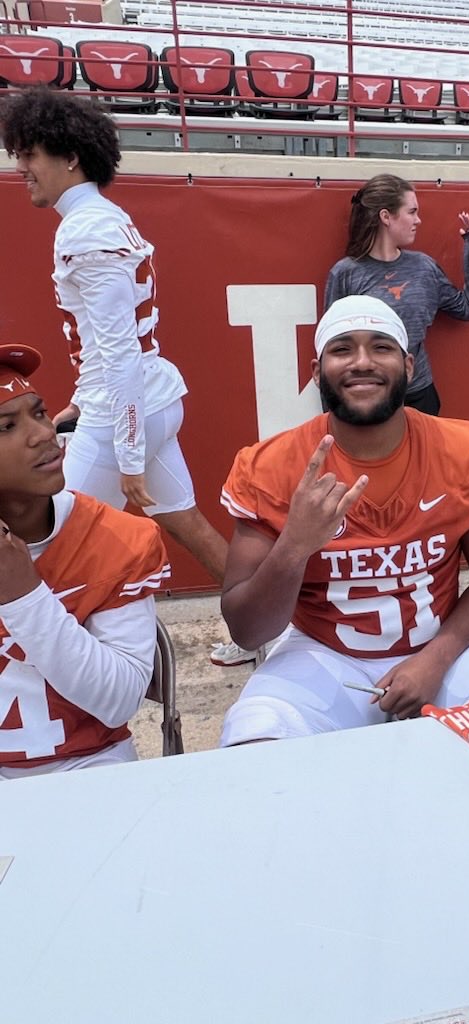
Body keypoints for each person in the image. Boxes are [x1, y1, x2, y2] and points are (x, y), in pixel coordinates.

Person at [0, 85, 259, 668]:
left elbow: (118, 354)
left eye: (29, 153)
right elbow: (111, 348)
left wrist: (129, 452)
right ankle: (272, 628)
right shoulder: (101, 218)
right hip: (142, 394)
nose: (21, 167)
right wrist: (79, 406)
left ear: (68, 156)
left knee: (55, 538)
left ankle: (39, 666)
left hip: (129, 407)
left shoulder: (85, 228)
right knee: (185, 520)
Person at [218, 296, 469, 746]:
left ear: (409, 365)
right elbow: (248, 630)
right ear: (317, 371)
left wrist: (436, 659)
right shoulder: (271, 466)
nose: (361, 362)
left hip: (441, 647)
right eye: (342, 349)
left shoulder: (465, 450)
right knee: (252, 748)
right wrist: (295, 545)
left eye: (380, 347)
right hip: (324, 654)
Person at [0, 343, 168, 777]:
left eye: (38, 413)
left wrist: (24, 597)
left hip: (88, 766)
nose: (42, 435)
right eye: (6, 426)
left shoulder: (117, 538)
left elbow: (118, 702)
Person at [324, 173, 469, 416]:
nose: (418, 220)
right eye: (412, 212)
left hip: (420, 395)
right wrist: (332, 415)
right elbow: (330, 348)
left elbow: (468, 308)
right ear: (386, 217)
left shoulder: (424, 267)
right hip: (369, 398)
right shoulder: (346, 274)